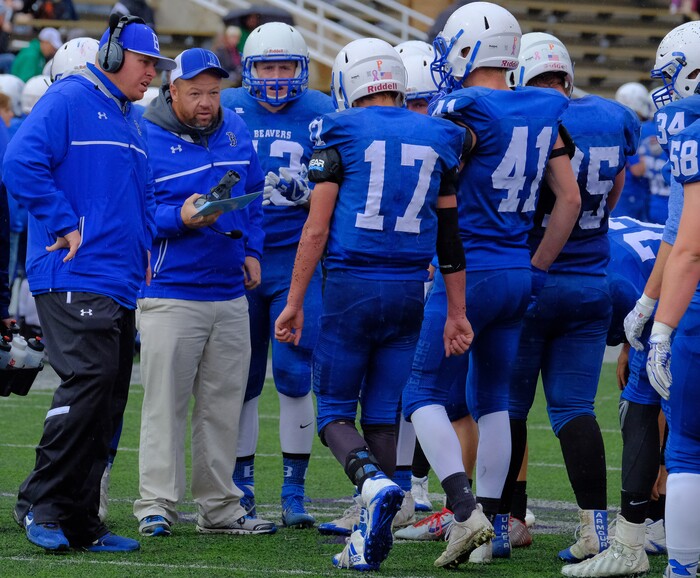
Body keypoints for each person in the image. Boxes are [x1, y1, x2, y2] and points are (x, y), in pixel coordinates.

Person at [274, 37, 472, 571]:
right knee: (383, 416)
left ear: (350, 84)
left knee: (334, 414)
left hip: (351, 287)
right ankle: (371, 536)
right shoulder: (440, 136)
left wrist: (293, 301)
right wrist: (456, 311)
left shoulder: (337, 131)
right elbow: (450, 240)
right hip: (411, 288)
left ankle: (374, 485)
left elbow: (316, 228)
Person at [400, 2, 581, 569]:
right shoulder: (545, 105)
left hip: (469, 269)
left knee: (421, 393)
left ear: (463, 49)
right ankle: (498, 528)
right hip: (515, 269)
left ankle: (462, 511)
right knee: (495, 401)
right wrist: (538, 266)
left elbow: (436, 189)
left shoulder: (462, 108)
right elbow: (569, 198)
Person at [3, 15, 175, 553]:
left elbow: (143, 194)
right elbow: (20, 163)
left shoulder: (131, 116)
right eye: (146, 63)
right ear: (112, 56)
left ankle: (80, 521)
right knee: (89, 385)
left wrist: (146, 247)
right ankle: (41, 503)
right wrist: (60, 221)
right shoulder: (69, 98)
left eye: (155, 66)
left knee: (107, 400)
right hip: (72, 273)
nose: (153, 74)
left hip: (118, 277)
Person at [501, 32, 639, 572]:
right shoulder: (611, 116)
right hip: (591, 282)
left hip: (533, 276)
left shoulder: (525, 118)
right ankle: (594, 529)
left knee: (507, 408)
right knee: (575, 410)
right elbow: (619, 184)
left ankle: (500, 522)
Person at [132, 47, 275, 539]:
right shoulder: (143, 136)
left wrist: (253, 250)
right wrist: (180, 218)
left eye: (213, 92)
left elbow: (254, 199)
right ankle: (155, 504)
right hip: (170, 291)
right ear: (172, 89)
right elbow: (132, 212)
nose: (206, 102)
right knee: (164, 405)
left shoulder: (236, 128)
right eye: (195, 92)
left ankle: (219, 507)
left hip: (229, 291)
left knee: (222, 406)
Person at [220, 22, 334, 530]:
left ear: (301, 69)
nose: (274, 77)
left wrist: (310, 192)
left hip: (294, 257)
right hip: (238, 255)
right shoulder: (225, 107)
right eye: (266, 66)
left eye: (284, 66)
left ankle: (293, 489)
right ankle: (240, 485)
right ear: (249, 69)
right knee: (240, 379)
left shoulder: (323, 111)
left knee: (292, 374)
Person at [560, 216, 666, 578]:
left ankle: (654, 520)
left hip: (666, 295)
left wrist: (661, 464)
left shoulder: (609, 277)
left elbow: (659, 390)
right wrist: (627, 345)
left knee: (647, 401)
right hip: (653, 289)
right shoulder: (603, 249)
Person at [641, 21, 700, 578]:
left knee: (686, 446)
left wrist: (659, 327)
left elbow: (689, 248)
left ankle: (682, 566)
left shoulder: (693, 127)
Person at [612, 82, 653, 221]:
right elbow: (638, 170)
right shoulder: (628, 131)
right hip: (630, 194)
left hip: (623, 192)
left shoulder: (615, 127)